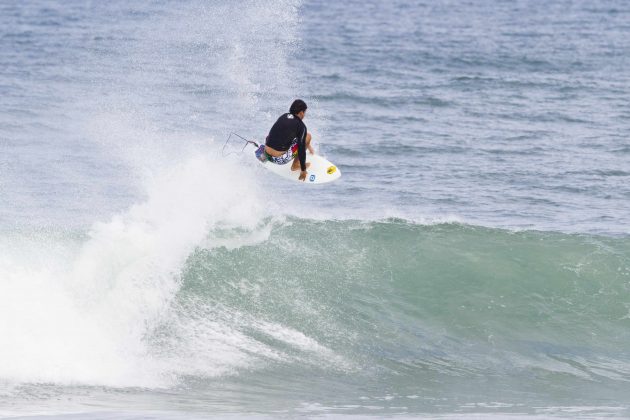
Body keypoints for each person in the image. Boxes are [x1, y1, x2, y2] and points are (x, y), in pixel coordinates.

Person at [255, 99, 315, 181]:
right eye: (305, 112)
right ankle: (295, 165)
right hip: (279, 159)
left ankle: (264, 155)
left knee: (283, 135)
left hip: (265, 153)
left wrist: (308, 146)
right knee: (308, 136)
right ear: (301, 112)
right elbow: (301, 149)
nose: (304, 115)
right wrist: (303, 171)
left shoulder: (284, 116)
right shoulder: (301, 126)